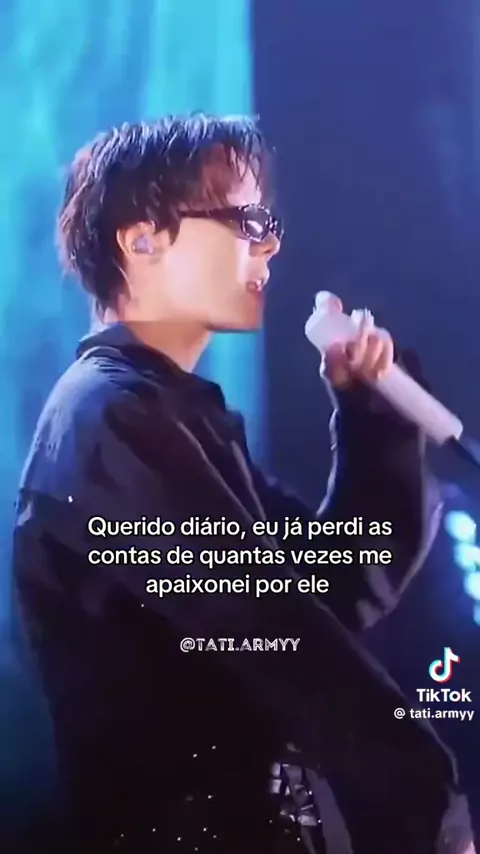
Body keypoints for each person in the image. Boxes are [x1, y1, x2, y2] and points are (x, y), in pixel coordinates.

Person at [12, 114, 475, 854]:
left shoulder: (170, 417)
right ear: (141, 240)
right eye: (246, 220)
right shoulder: (109, 421)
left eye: (270, 223)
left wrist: (374, 416)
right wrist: (428, 804)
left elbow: (335, 589)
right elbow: (279, 636)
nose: (270, 243)